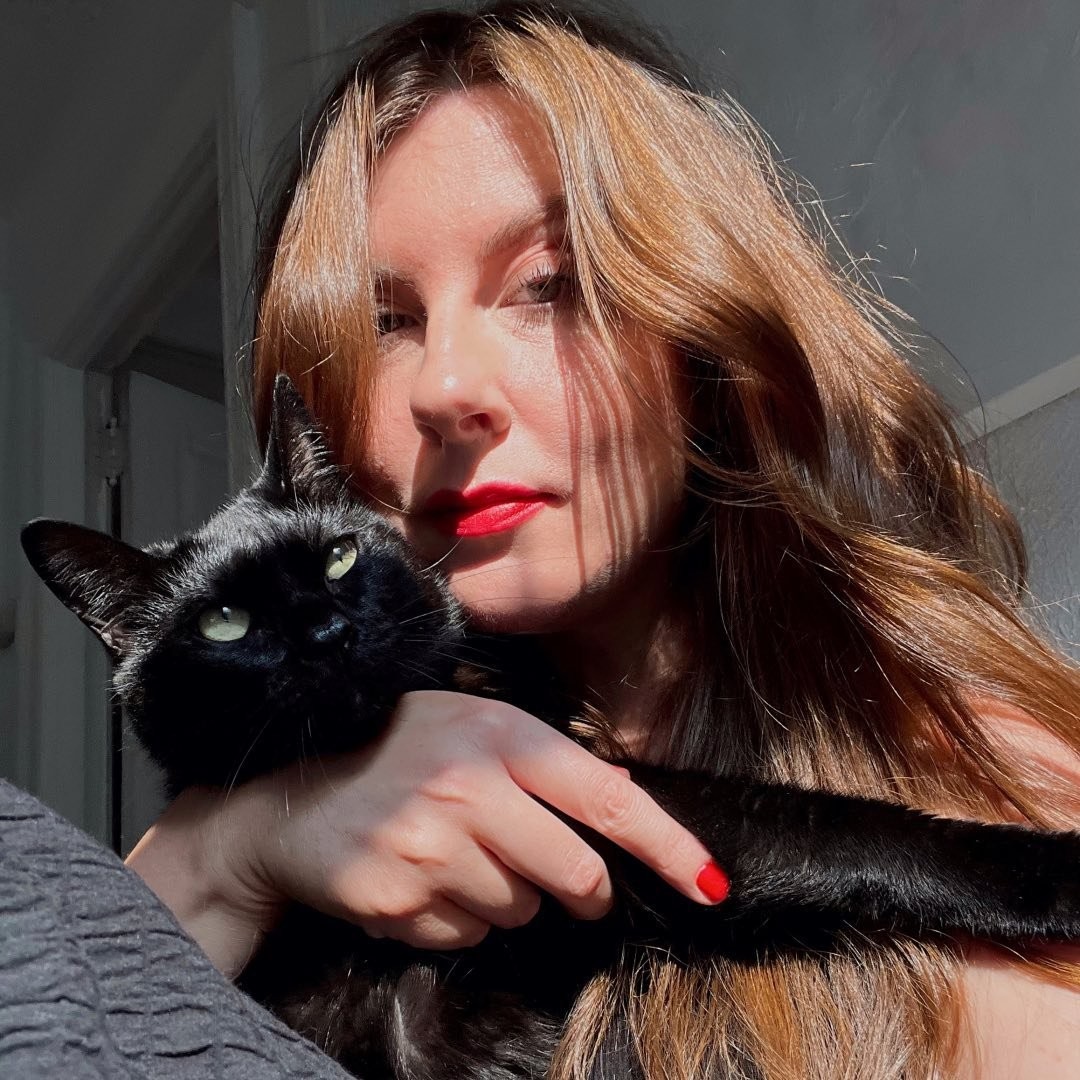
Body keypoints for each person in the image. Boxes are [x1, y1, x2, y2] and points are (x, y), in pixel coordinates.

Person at [126, 3, 1080, 1077]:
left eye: (546, 286)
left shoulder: (987, 797)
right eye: (386, 324)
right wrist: (225, 857)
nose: (445, 389)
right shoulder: (276, 809)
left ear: (699, 337)